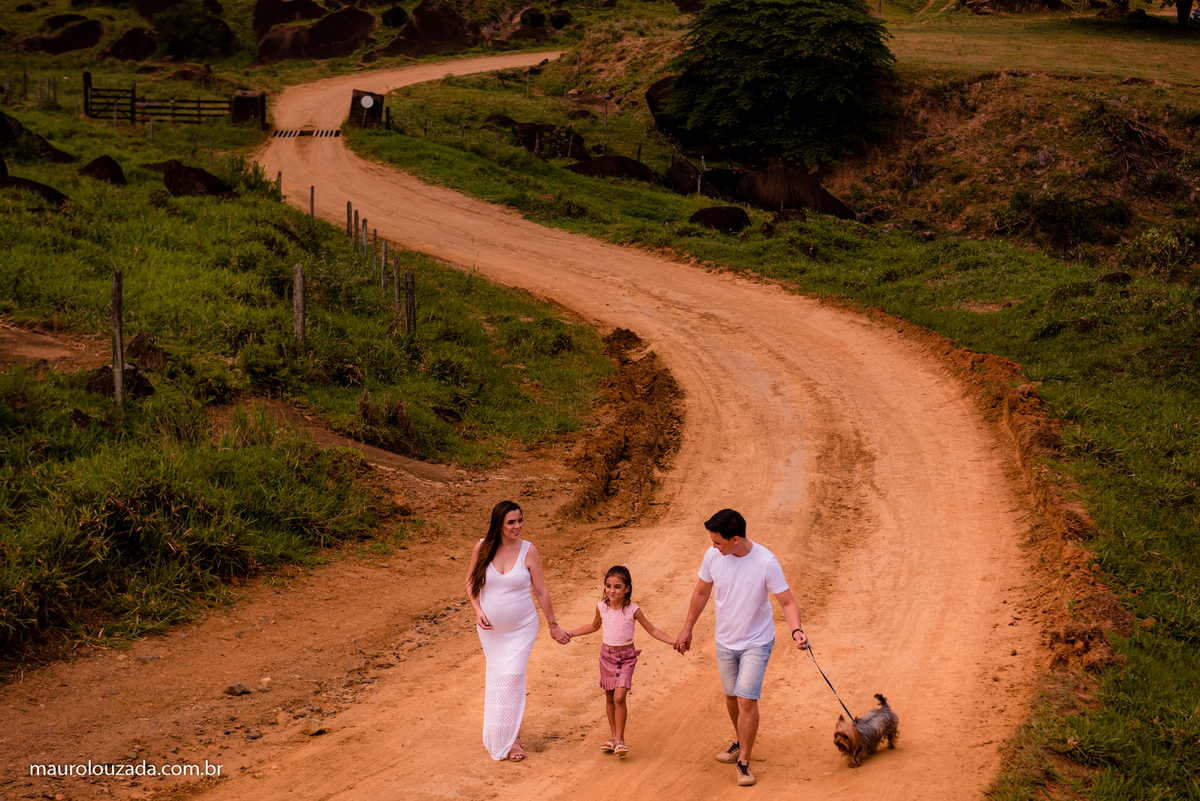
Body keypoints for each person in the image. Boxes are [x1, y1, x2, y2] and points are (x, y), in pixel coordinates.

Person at [674, 509, 809, 787]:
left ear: (735, 539)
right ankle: (740, 740)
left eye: (718, 542)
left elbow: (787, 602)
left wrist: (796, 630)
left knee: (747, 699)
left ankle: (744, 760)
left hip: (756, 642)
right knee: (732, 697)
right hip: (725, 640)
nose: (713, 546)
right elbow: (701, 592)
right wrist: (687, 628)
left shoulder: (766, 562)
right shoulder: (713, 556)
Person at [466, 500, 570, 762]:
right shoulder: (483, 547)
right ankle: (500, 731)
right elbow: (470, 582)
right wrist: (477, 609)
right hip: (491, 631)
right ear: (499, 524)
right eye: (511, 522)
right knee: (498, 676)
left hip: (522, 628)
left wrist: (552, 623)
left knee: (512, 677)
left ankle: (515, 739)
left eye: (520, 520)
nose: (518, 526)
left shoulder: (528, 550)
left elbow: (541, 590)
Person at [563, 565, 676, 756]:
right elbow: (593, 626)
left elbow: (653, 630)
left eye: (617, 587)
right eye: (608, 586)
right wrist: (571, 633)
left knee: (619, 696)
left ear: (627, 588)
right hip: (606, 657)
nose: (611, 590)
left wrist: (674, 642)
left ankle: (620, 740)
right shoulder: (602, 607)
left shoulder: (633, 610)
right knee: (609, 697)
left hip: (627, 658)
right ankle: (613, 737)